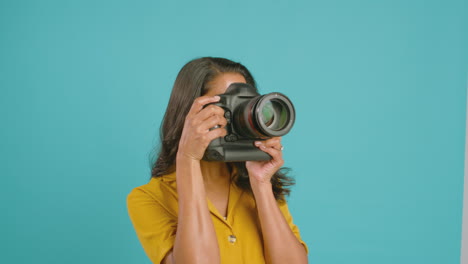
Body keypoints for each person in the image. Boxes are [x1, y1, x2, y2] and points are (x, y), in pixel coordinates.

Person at [127, 57, 308, 264]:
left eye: (243, 103)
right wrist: (188, 158)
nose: (237, 116)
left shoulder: (261, 187)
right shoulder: (148, 198)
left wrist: (261, 184)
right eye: (225, 105)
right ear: (188, 115)